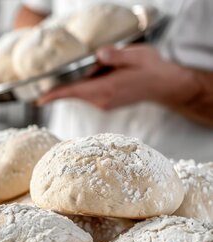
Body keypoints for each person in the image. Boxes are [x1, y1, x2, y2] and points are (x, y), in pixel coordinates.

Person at [14, 0, 213, 162]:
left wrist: (174, 87)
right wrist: (38, 64)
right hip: (69, 158)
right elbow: (32, 12)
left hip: (191, 173)